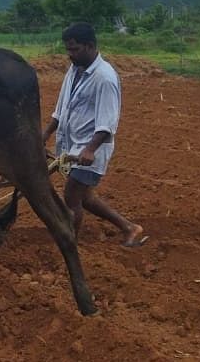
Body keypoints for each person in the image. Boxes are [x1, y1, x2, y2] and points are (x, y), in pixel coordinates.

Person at [42, 22, 147, 247]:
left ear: (89, 46)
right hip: (73, 146)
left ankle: (69, 245)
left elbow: (108, 122)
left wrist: (89, 149)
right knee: (86, 198)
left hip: (92, 150)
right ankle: (130, 228)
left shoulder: (105, 78)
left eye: (74, 49)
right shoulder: (75, 69)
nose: (70, 55)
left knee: (71, 197)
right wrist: (45, 134)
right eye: (68, 49)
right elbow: (62, 108)